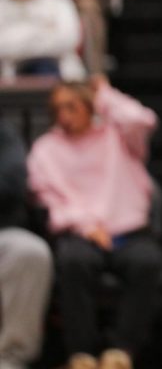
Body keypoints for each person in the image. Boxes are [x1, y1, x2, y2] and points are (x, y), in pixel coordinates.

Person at [26, 80, 162, 369]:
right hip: (79, 231)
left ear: (89, 107)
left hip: (128, 229)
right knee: (73, 262)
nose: (64, 115)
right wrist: (87, 226)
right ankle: (82, 354)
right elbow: (48, 197)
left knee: (148, 262)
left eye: (71, 107)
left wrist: (105, 94)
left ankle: (122, 351)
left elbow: (143, 120)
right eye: (57, 109)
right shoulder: (45, 148)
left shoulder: (119, 137)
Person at [0, 121, 53, 369]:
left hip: (3, 230)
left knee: (30, 251)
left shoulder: (4, 136)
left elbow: (12, 184)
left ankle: (10, 358)